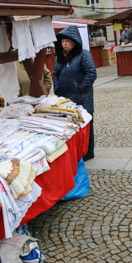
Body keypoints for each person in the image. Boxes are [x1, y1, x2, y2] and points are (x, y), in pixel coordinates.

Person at [53, 25, 97, 161]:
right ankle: (77, 153)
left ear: (74, 41)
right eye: (62, 41)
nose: (64, 44)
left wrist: (81, 87)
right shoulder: (60, 57)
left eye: (67, 41)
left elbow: (91, 73)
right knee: (71, 126)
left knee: (86, 125)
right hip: (66, 98)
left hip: (82, 97)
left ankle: (88, 152)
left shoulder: (84, 54)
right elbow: (55, 74)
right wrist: (57, 87)